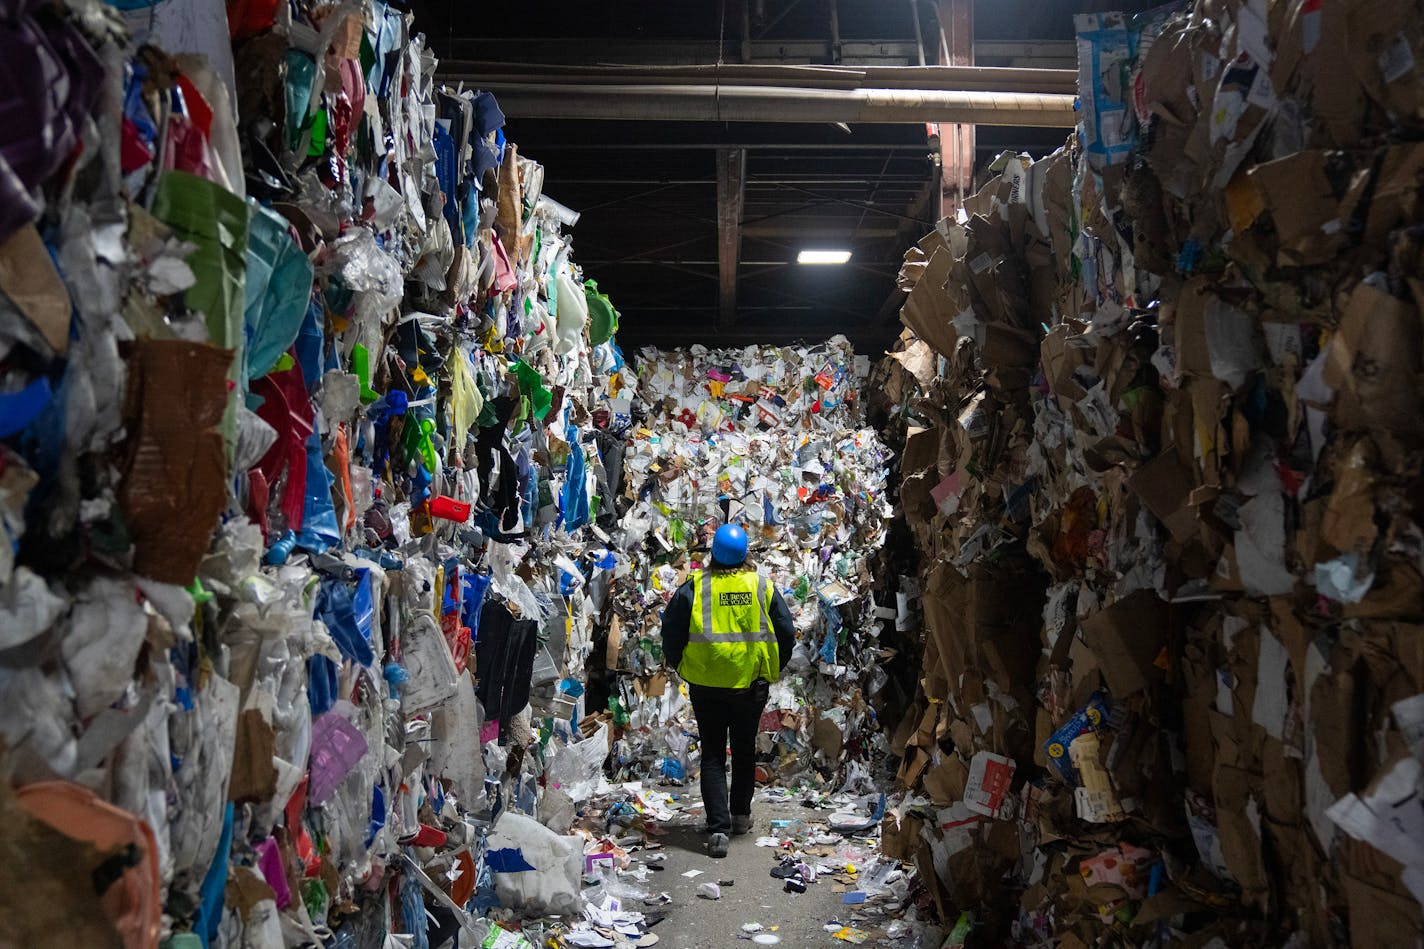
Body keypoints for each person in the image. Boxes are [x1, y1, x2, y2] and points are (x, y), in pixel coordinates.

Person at [661, 523, 796, 857]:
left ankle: (718, 829)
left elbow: (671, 633)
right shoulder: (762, 587)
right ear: (745, 554)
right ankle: (740, 818)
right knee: (744, 750)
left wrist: (681, 665)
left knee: (712, 754)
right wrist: (773, 667)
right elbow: (786, 632)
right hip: (750, 686)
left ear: (713, 556)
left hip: (706, 686)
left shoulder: (694, 588)